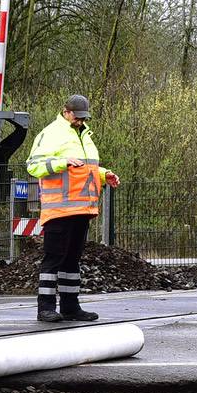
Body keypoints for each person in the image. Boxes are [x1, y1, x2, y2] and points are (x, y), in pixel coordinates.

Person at [24, 93, 119, 324]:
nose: (80, 121)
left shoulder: (85, 136)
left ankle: (70, 306)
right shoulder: (51, 133)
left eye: (83, 117)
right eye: (77, 117)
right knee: (54, 258)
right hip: (59, 209)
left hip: (82, 208)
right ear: (66, 112)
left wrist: (104, 175)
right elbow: (33, 166)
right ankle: (45, 307)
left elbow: (86, 169)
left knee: (72, 259)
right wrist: (61, 162)